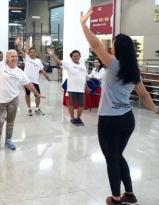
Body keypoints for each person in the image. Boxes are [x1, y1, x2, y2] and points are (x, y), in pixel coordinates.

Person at [81, 8, 159, 205]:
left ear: (117, 49)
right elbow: (143, 94)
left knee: (112, 159)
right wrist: (157, 110)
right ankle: (130, 196)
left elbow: (95, 44)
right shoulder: (134, 69)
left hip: (110, 121)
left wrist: (83, 24)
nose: (111, 48)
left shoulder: (114, 64)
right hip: (127, 120)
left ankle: (116, 198)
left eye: (113, 45)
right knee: (117, 155)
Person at [0, 40, 45, 153]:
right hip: (0, 101)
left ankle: (8, 141)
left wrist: (37, 94)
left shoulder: (20, 72)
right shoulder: (0, 66)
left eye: (16, 56)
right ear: (7, 58)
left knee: (11, 122)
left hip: (13, 101)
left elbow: (28, 84)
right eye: (12, 56)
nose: (15, 58)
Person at [47, 48, 89, 126]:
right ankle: (72, 118)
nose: (76, 57)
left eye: (77, 56)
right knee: (71, 104)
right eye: (74, 56)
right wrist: (53, 55)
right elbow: (59, 61)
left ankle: (78, 118)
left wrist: (86, 87)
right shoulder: (69, 64)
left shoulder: (83, 65)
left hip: (81, 88)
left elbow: (84, 76)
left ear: (79, 56)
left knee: (81, 105)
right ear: (72, 57)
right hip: (72, 88)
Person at [15, 37, 51, 116]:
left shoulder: (38, 61)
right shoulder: (27, 58)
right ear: (29, 53)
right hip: (26, 81)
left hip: (35, 81)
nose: (32, 53)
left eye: (33, 52)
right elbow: (21, 51)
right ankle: (29, 109)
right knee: (27, 95)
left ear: (36, 53)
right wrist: (18, 44)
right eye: (31, 52)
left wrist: (47, 78)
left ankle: (37, 109)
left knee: (38, 95)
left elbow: (42, 70)